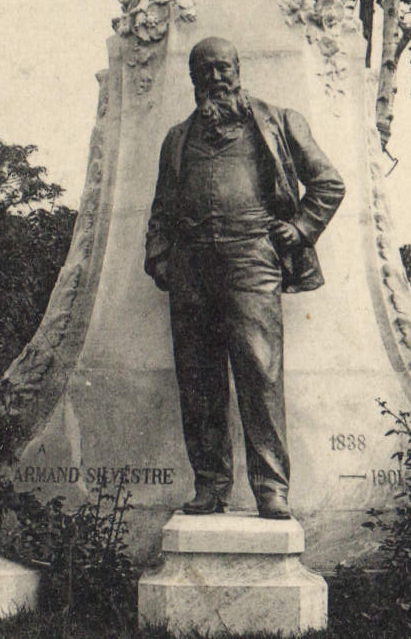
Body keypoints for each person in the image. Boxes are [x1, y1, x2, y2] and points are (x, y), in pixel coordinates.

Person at [145, 36, 345, 519]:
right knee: (198, 379)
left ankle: (272, 488)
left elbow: (329, 183)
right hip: (191, 264)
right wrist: (161, 259)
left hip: (252, 258)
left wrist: (299, 228)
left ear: (238, 70)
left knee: (259, 374)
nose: (215, 78)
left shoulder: (276, 121)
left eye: (222, 68)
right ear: (194, 81)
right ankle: (211, 485)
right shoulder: (177, 137)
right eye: (204, 72)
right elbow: (160, 211)